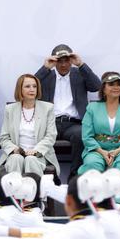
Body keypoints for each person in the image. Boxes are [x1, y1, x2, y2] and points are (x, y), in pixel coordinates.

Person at [35, 43, 100, 179]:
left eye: (66, 61)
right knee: (35, 135)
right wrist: (45, 68)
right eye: (59, 61)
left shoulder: (80, 74)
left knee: (82, 134)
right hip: (50, 123)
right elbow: (29, 87)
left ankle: (75, 176)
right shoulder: (46, 76)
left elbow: (96, 86)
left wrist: (81, 64)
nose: (63, 65)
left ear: (71, 61)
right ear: (54, 61)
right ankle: (43, 176)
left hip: (74, 124)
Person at [77, 72, 120, 180]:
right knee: (92, 163)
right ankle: (94, 196)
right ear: (104, 89)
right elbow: (87, 136)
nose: (116, 87)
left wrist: (117, 151)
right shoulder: (92, 107)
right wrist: (102, 152)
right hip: (97, 150)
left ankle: (119, 196)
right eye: (111, 84)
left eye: (119, 84)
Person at [0, 74, 59, 177]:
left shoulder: (48, 108)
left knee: (31, 160)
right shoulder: (10, 109)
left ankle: (35, 191)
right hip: (16, 153)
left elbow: (51, 136)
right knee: (15, 159)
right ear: (19, 89)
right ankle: (13, 192)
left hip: (39, 154)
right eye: (27, 86)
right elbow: (4, 137)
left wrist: (36, 150)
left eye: (34, 86)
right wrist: (14, 149)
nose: (32, 89)